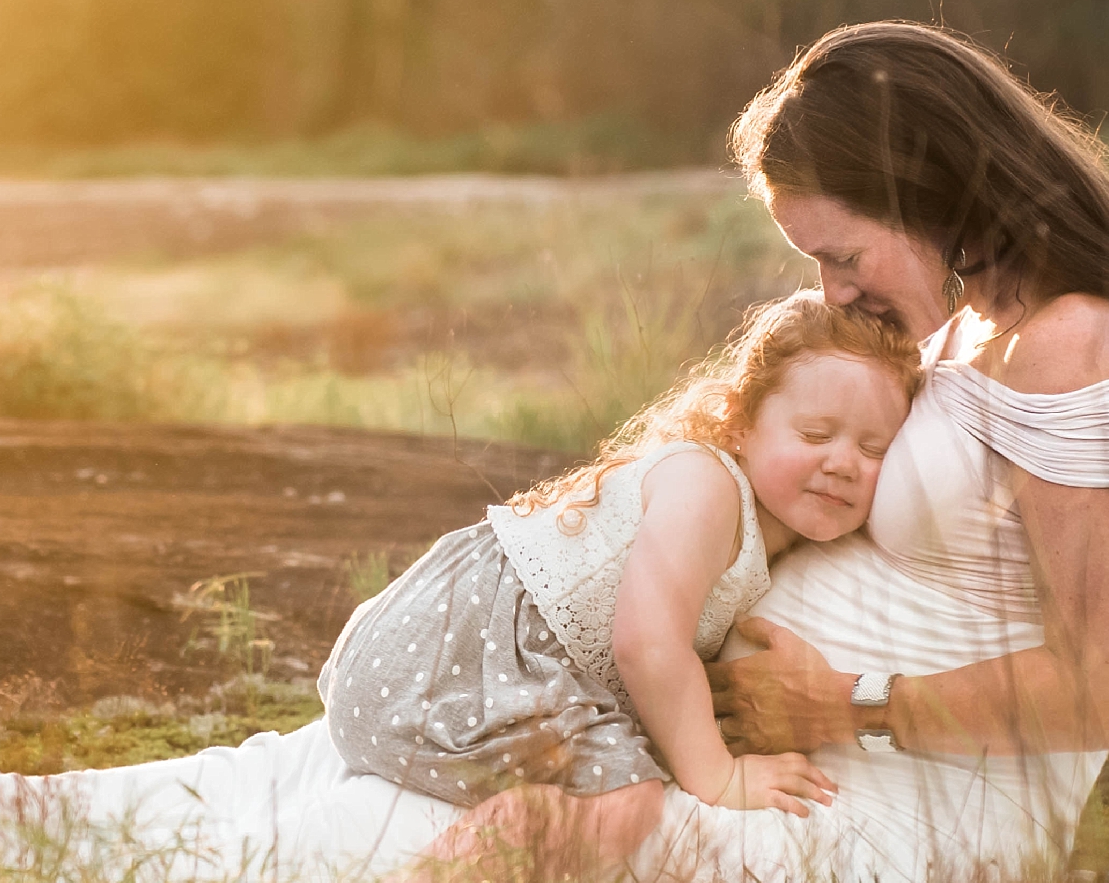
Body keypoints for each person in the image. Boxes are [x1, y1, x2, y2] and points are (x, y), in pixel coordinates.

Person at [0, 18, 1109, 883]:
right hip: (798, 768)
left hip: (910, 819)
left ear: (925, 182)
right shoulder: (988, 334)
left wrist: (837, 703)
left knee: (425, 840)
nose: (840, 297)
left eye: (844, 257)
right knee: (314, 767)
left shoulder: (1080, 355)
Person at [323, 290, 919, 826]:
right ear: (739, 424)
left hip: (486, 664)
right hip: (447, 660)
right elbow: (649, 644)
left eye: (874, 449)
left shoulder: (772, 528)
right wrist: (719, 776)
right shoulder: (706, 488)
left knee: (620, 788)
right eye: (816, 435)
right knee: (623, 804)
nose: (844, 463)